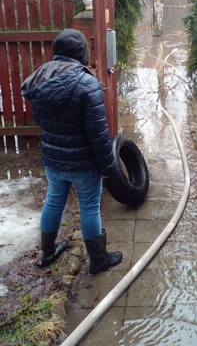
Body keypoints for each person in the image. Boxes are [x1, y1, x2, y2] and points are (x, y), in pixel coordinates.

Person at [21, 28, 123, 275]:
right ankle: (98, 261)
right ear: (82, 54)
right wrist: (108, 169)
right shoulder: (87, 84)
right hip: (84, 164)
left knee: (54, 200)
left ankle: (47, 253)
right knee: (89, 207)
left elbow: (41, 120)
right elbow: (99, 136)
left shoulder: (40, 78)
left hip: (54, 161)